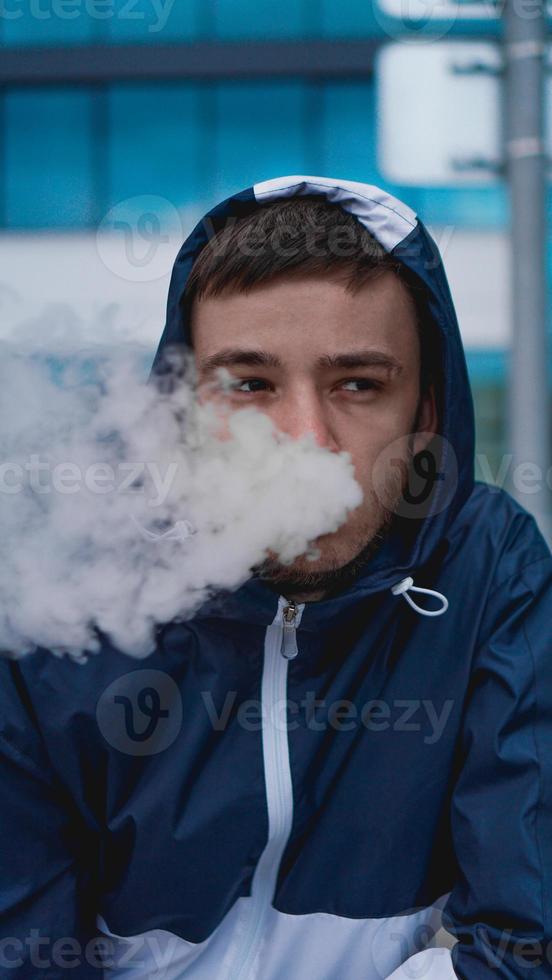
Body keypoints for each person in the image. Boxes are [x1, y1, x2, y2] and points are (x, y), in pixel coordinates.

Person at [1, 175, 551, 980]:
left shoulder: (487, 568)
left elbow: (525, 939)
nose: (308, 440)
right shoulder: (64, 590)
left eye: (358, 385)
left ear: (425, 415)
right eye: (249, 386)